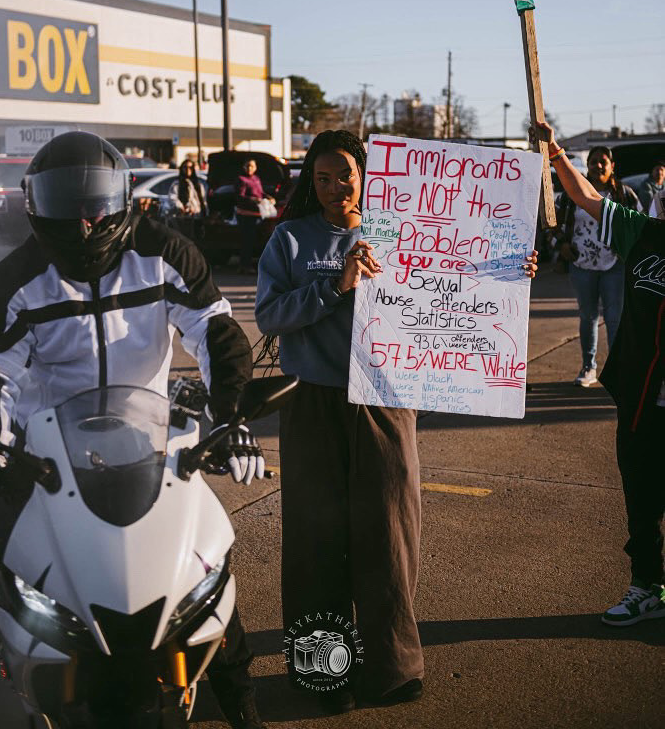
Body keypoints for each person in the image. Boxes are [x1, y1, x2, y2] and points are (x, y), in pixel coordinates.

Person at [0, 132, 266, 728]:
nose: (82, 223)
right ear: (37, 205)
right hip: (42, 456)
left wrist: (233, 417)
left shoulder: (165, 253)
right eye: (65, 205)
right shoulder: (15, 280)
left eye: (93, 206)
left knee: (204, 567)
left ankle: (240, 699)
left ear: (119, 200)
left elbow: (214, 333)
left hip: (147, 445)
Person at [255, 129, 537, 713]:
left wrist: (509, 271)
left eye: (346, 174)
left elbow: (463, 275)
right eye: (323, 178)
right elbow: (269, 315)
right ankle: (321, 674)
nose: (336, 187)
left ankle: (391, 669)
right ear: (312, 183)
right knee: (315, 540)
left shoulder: (408, 224)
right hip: (312, 403)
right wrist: (335, 286)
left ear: (367, 171)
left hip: (386, 397)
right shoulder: (289, 239)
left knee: (390, 534)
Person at [534, 120, 665, 627]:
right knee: (642, 502)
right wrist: (557, 154)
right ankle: (647, 588)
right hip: (641, 399)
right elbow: (587, 199)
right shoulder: (642, 233)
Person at [550, 144, 639, 387]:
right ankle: (589, 368)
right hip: (581, 265)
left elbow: (639, 227)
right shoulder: (571, 193)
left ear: (612, 166)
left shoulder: (624, 195)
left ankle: (617, 370)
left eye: (603, 161)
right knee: (587, 317)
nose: (598, 165)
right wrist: (562, 245)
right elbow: (551, 221)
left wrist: (627, 252)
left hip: (615, 266)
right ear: (587, 165)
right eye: (593, 161)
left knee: (614, 319)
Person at [235, 158, 273, 274]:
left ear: (255, 168)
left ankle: (252, 264)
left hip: (257, 214)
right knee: (247, 240)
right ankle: (244, 265)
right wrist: (255, 200)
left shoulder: (256, 178)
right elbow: (240, 197)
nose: (249, 168)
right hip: (245, 214)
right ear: (243, 167)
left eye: (252, 166)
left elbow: (260, 193)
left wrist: (269, 197)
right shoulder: (241, 179)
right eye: (247, 166)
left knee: (256, 240)